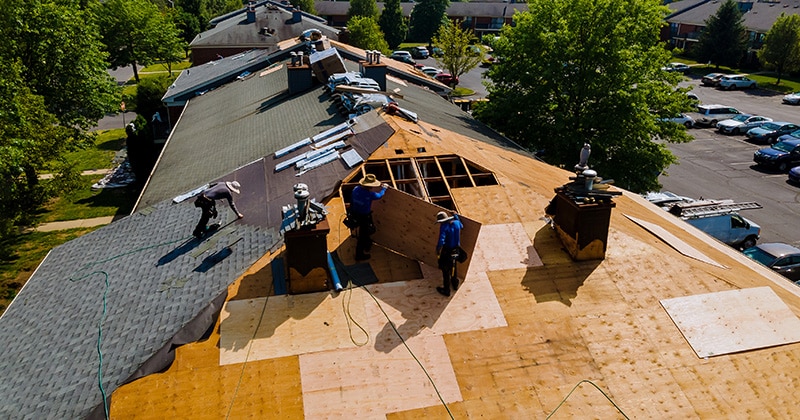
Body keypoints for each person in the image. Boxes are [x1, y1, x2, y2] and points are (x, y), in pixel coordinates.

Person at [348, 174, 388, 260]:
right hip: (364, 216)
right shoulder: (369, 194)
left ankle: (367, 244)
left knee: (364, 231)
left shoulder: (355, 189)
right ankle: (359, 255)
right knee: (364, 233)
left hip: (355, 213)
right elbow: (379, 195)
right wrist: (384, 188)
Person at [435, 211, 464, 297]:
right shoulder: (457, 223)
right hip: (456, 250)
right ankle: (455, 284)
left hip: (447, 251)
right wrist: (455, 215)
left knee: (445, 269)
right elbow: (462, 226)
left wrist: (438, 249)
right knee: (453, 266)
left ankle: (446, 290)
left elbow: (441, 240)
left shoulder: (444, 227)